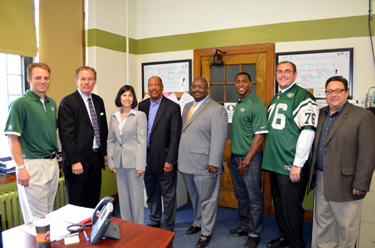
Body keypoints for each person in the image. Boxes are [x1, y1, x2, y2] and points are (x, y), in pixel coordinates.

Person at [307, 76, 375, 248]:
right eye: (330, 91)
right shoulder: (321, 113)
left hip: (346, 183)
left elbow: (368, 153)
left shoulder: (363, 116)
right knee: (324, 224)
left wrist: (361, 183)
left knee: (346, 228)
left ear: (346, 92)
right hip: (322, 179)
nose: (333, 95)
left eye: (338, 90)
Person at [262, 61, 319, 248]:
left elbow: (308, 131)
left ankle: (296, 243)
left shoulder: (303, 96)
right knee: (279, 205)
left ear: (295, 74)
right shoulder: (276, 97)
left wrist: (298, 163)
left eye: (287, 71)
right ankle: (284, 236)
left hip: (290, 163)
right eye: (279, 71)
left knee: (292, 208)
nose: (282, 74)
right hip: (275, 161)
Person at [4, 62, 59, 224]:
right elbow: (11, 139)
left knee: (49, 214)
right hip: (32, 165)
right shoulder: (20, 104)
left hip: (52, 162)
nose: (43, 81)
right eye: (38, 77)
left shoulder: (51, 103)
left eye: (46, 77)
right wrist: (21, 168)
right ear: (29, 79)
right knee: (37, 218)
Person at [178, 77, 228, 248]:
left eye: (200, 87)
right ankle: (197, 222)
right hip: (187, 161)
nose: (197, 89)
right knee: (194, 196)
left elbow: (219, 138)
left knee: (207, 199)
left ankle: (207, 232)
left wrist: (214, 161)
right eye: (194, 87)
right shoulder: (186, 107)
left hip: (205, 164)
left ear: (207, 88)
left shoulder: (216, 109)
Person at [58, 66, 108, 208]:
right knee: (78, 203)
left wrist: (104, 153)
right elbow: (66, 135)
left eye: (90, 79)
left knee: (93, 200)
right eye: (83, 79)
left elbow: (103, 129)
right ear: (76, 81)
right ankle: (78, 231)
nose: (87, 82)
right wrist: (74, 161)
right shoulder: (68, 102)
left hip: (96, 158)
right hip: (78, 162)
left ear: (95, 81)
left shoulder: (98, 101)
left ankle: (92, 230)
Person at [227, 72, 267, 248]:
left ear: (251, 84)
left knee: (254, 198)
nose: (241, 84)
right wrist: (234, 155)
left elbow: (259, 137)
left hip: (250, 161)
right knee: (241, 196)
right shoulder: (240, 103)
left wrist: (247, 160)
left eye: (244, 81)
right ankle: (245, 226)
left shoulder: (256, 104)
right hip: (237, 158)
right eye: (238, 81)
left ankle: (254, 233)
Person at [138, 76, 182, 231]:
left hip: (164, 158)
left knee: (168, 194)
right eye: (150, 85)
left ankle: (168, 223)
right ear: (147, 88)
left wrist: (170, 160)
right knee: (151, 190)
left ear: (162, 87)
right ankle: (154, 218)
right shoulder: (142, 105)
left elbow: (175, 136)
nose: (153, 87)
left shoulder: (172, 107)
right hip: (146, 157)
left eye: (156, 85)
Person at [107, 85, 147, 224]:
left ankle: (139, 227)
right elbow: (110, 141)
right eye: (124, 95)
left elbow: (142, 142)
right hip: (119, 162)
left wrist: (141, 165)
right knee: (123, 197)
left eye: (130, 95)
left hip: (134, 162)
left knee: (136, 198)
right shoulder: (114, 117)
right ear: (120, 97)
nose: (127, 98)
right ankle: (127, 227)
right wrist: (111, 162)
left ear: (134, 98)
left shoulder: (139, 116)